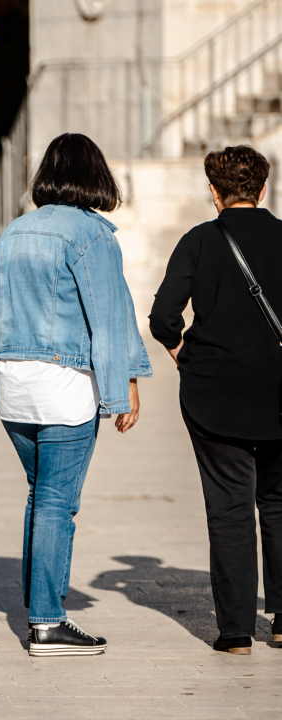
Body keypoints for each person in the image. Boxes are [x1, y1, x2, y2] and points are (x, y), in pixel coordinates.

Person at [0, 133, 152, 657]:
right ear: (97, 176)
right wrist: (125, 387)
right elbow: (110, 317)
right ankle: (47, 621)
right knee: (55, 503)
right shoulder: (91, 235)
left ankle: (40, 608)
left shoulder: (15, 231)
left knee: (38, 493)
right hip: (66, 382)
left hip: (13, 384)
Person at [149, 145, 282, 655]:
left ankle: (233, 632)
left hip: (215, 394)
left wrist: (182, 351)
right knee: (278, 502)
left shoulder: (200, 241)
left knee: (228, 508)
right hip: (278, 392)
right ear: (263, 189)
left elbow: (164, 316)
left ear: (214, 191)